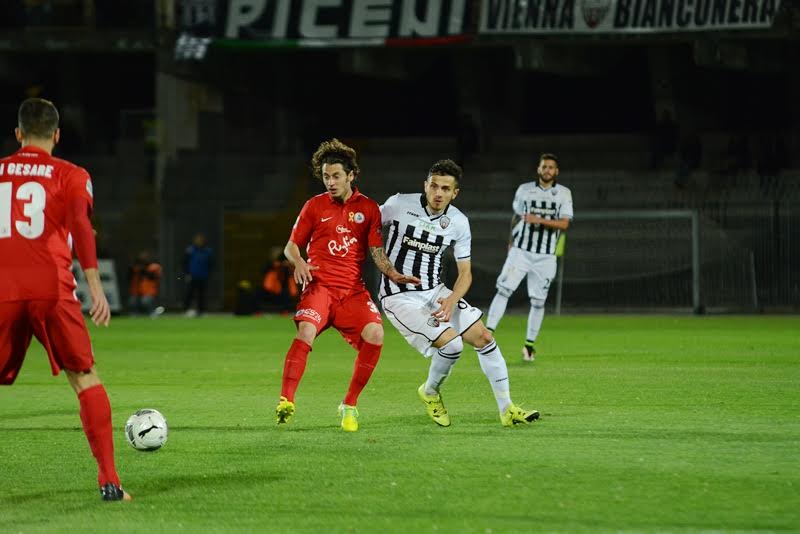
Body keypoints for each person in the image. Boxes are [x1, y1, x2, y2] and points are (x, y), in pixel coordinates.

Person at [0, 97, 131, 501]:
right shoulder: (72, 174)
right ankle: (110, 482)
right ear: (57, 135)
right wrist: (95, 287)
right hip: (52, 289)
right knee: (84, 376)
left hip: (3, 289)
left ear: (18, 134)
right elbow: (80, 225)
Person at [379, 159, 539, 427]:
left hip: (436, 292)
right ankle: (430, 392)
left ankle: (507, 409)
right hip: (399, 296)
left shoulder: (458, 222)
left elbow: (465, 273)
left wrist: (452, 299)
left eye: (445, 189)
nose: (438, 193)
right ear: (425, 185)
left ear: (455, 193)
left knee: (484, 337)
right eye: (434, 186)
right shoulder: (398, 204)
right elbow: (364, 224)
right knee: (452, 345)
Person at [275, 138, 418, 432]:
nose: (330, 182)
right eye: (326, 176)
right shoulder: (314, 206)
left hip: (352, 291)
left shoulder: (369, 209)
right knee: (306, 331)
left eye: (336, 176)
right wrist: (299, 262)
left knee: (376, 334)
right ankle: (286, 400)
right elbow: (291, 246)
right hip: (320, 288)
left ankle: (349, 404)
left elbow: (376, 251)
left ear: (351, 175)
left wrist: (393, 274)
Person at [485, 153, 573, 361]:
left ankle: (529, 345)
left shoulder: (563, 193)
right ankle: (487, 333)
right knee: (503, 290)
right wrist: (510, 242)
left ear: (556, 171)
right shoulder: (524, 190)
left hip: (546, 256)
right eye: (544, 166)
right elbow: (516, 217)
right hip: (521, 251)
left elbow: (564, 224)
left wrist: (539, 220)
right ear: (538, 169)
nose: (547, 170)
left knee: (538, 302)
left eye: (551, 167)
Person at [183, 232, 213, 316]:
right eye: (198, 240)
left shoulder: (208, 251)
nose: (199, 241)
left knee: (202, 294)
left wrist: (209, 273)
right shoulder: (190, 250)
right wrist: (187, 273)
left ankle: (201, 311)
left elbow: (211, 264)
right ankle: (186, 309)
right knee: (190, 293)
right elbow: (185, 263)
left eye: (201, 240)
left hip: (203, 276)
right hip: (192, 276)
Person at [260, 247, 298, 314]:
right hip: (273, 285)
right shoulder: (270, 264)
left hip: (285, 286)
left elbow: (291, 272)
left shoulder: (286, 263)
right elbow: (264, 271)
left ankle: (285, 310)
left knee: (285, 296)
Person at [127, 249, 162, 317]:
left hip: (149, 290)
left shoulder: (154, 266)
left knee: (146, 301)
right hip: (136, 290)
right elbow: (129, 276)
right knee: (132, 301)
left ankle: (152, 312)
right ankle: (135, 314)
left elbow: (153, 277)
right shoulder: (135, 267)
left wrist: (142, 270)